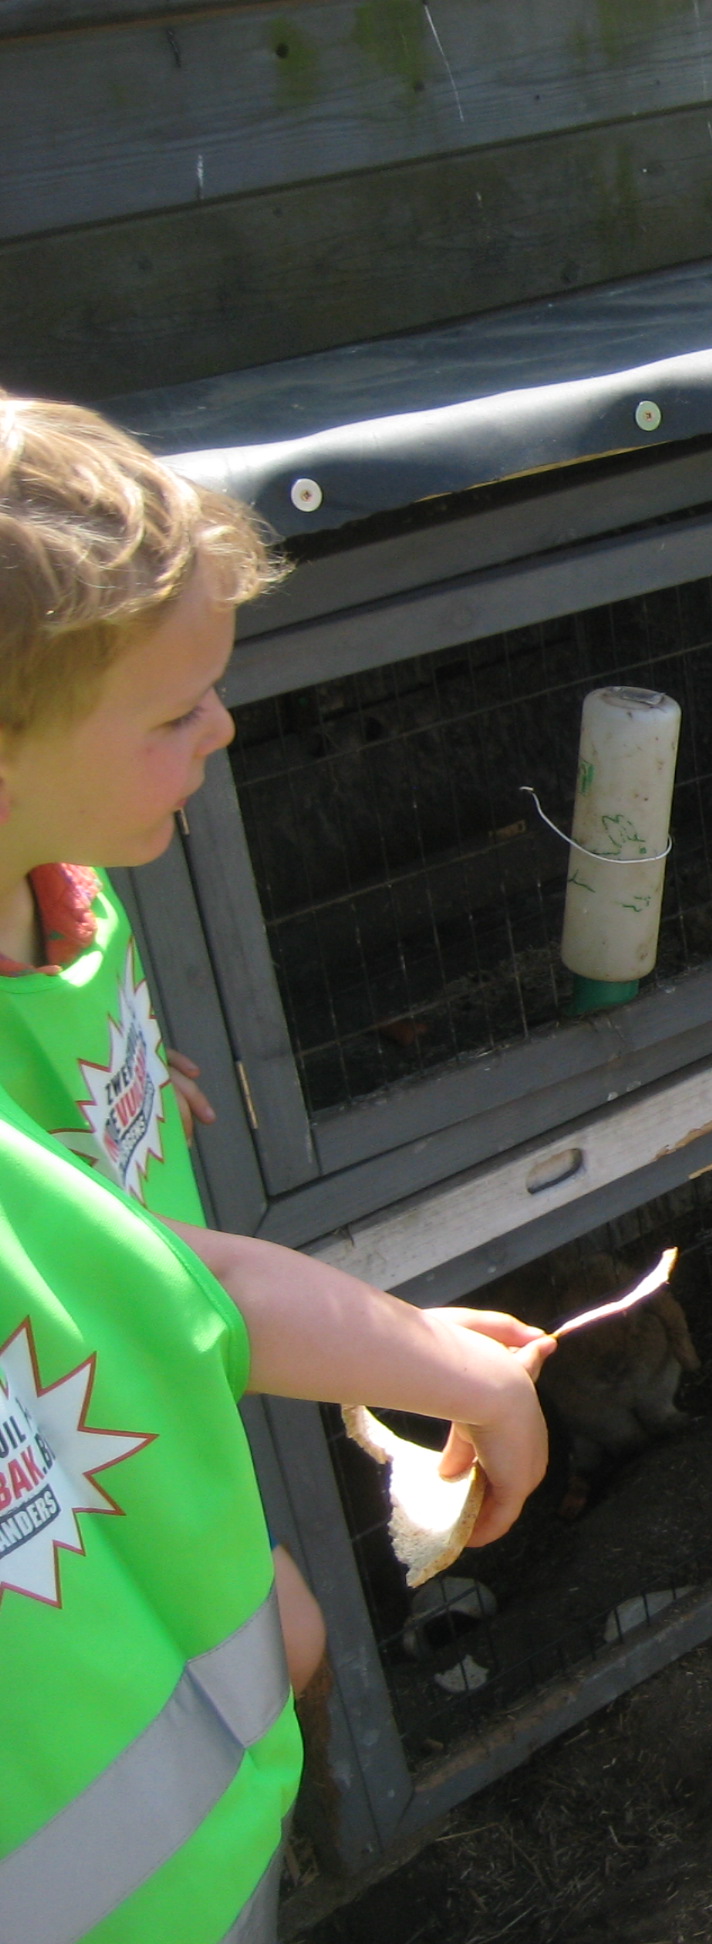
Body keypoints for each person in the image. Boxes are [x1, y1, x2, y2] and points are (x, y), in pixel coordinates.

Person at [0, 391, 553, 1942]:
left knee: (289, 1637)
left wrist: (119, 1063)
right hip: (78, 1837)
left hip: (138, 1519)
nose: (224, 729)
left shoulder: (59, 895)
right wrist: (450, 1367)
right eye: (176, 716)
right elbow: (193, 1283)